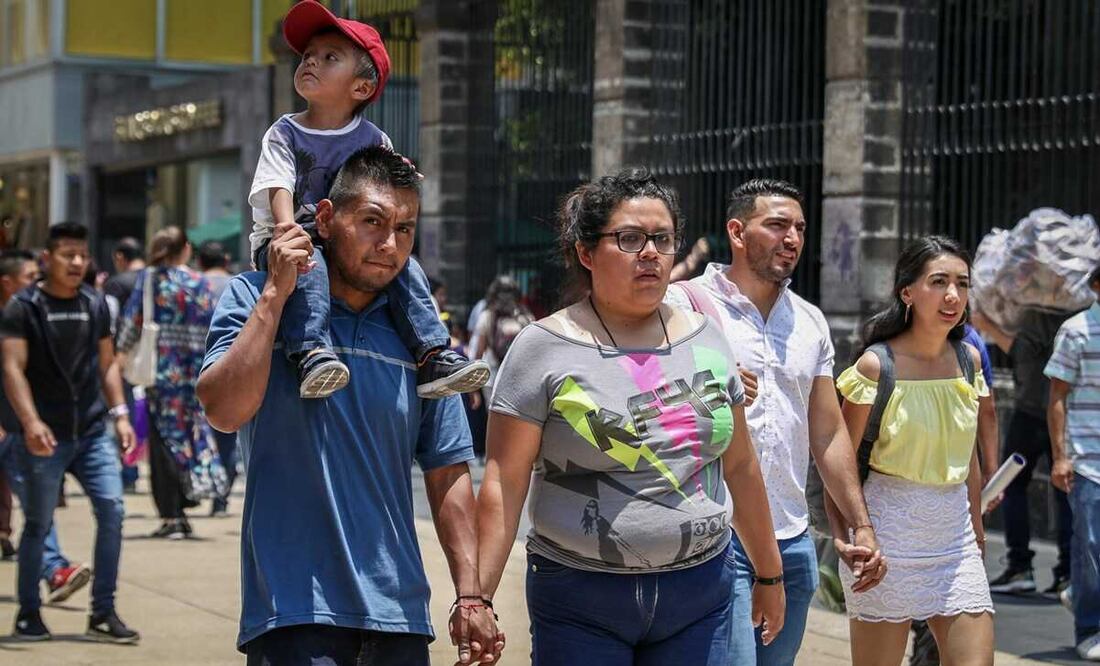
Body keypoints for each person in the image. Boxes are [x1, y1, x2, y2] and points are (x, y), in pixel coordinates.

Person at [198, 147, 498, 665]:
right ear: (328, 220)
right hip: (294, 613)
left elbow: (448, 468)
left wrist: (471, 594)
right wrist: (275, 295)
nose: (389, 244)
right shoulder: (254, 299)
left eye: (404, 229)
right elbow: (223, 410)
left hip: (401, 616)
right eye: (372, 222)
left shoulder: (418, 338)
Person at [476, 169, 785, 665]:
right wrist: (477, 595)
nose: (650, 253)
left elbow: (741, 465)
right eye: (629, 238)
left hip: (700, 595)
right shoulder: (542, 348)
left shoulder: (706, 336)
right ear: (585, 253)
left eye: (662, 239)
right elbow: (503, 482)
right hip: (581, 601)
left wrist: (769, 574)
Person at [664, 178, 884, 665]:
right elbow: (650, 398)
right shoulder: (683, 305)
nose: (792, 239)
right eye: (778, 225)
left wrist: (859, 524)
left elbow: (827, 433)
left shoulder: (810, 321)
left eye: (800, 229)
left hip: (793, 539)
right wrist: (705, 387)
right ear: (738, 233)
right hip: (715, 533)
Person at [248, 0, 487, 399]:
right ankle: (312, 354)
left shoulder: (373, 139)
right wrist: (286, 231)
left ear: (361, 87)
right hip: (292, 236)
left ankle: (433, 354)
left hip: (350, 238)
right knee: (311, 264)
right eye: (307, 56)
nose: (310, 62)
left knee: (405, 269)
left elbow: (388, 184)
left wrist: (404, 174)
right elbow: (278, 182)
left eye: (329, 57)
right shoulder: (284, 131)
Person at [835, 236, 994, 665]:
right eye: (938, 282)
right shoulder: (875, 365)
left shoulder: (969, 361)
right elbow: (840, 463)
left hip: (955, 541)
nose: (952, 295)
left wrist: (976, 532)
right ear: (907, 292)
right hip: (887, 541)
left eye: (962, 284)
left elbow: (970, 463)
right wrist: (846, 536)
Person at [0, 222, 139, 643]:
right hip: (44, 435)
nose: (77, 262)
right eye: (67, 254)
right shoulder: (23, 307)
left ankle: (102, 611)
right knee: (39, 524)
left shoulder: (94, 303)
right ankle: (28, 614)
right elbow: (11, 368)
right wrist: (30, 422)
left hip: (93, 430)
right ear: (47, 259)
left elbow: (108, 362)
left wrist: (120, 414)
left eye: (82, 254)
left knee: (113, 512)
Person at [117, 228, 222, 539]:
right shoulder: (199, 282)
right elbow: (212, 323)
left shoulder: (151, 280)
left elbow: (131, 323)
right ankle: (191, 493)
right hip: (196, 371)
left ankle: (171, 513)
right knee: (191, 432)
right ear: (186, 250)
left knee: (163, 439)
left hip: (162, 373)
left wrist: (119, 355)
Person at [0, 250, 90, 602]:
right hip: (12, 433)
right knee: (37, 511)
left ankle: (53, 569)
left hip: (27, 435)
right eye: (30, 277)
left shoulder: (36, 317)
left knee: (37, 509)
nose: (39, 284)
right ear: (7, 283)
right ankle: (53, 569)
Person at [972, 305, 1075, 595]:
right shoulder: (1073, 319)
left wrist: (987, 324)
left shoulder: (1034, 316)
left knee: (1014, 486)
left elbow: (1020, 351)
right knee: (1063, 490)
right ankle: (1067, 571)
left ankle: (1020, 565)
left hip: (1030, 412)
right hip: (1063, 415)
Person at [1045, 265, 1100, 661]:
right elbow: (1057, 398)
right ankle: (1090, 627)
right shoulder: (1076, 331)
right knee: (1091, 547)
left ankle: (1080, 591)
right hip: (1087, 462)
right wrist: (1061, 456)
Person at [197, 240, 239, 517]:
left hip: (191, 369)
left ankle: (193, 492)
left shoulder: (192, 285)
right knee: (227, 435)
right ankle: (221, 499)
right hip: (230, 369)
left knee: (195, 434)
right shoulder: (238, 285)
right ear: (225, 261)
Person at [103, 236, 145, 494]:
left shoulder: (117, 283)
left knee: (125, 412)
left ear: (120, 257)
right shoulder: (157, 278)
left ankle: (129, 472)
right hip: (159, 359)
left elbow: (110, 322)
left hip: (124, 356)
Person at [469, 275, 533, 410]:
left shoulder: (487, 316)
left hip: (493, 378)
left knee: (494, 417)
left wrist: (473, 388)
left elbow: (479, 353)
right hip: (520, 377)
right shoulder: (526, 317)